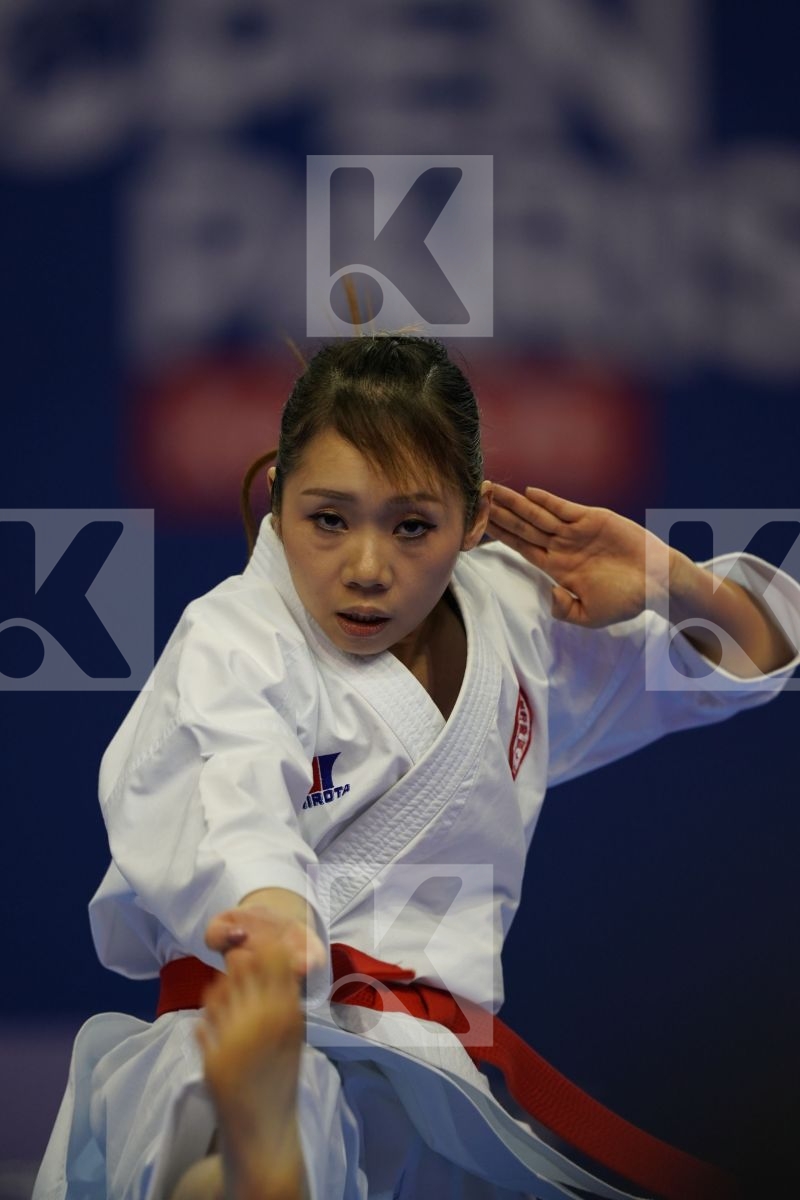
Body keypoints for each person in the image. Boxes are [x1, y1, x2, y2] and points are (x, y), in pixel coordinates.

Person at [34, 333, 800, 1200]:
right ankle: (253, 1150)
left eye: (412, 526)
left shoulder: (519, 612)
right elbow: (233, 787)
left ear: (473, 521)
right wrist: (273, 912)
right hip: (256, 1030)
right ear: (278, 504)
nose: (368, 569)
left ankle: (257, 1164)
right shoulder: (237, 642)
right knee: (261, 1141)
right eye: (329, 519)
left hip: (435, 1084)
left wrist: (672, 579)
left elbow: (747, 666)